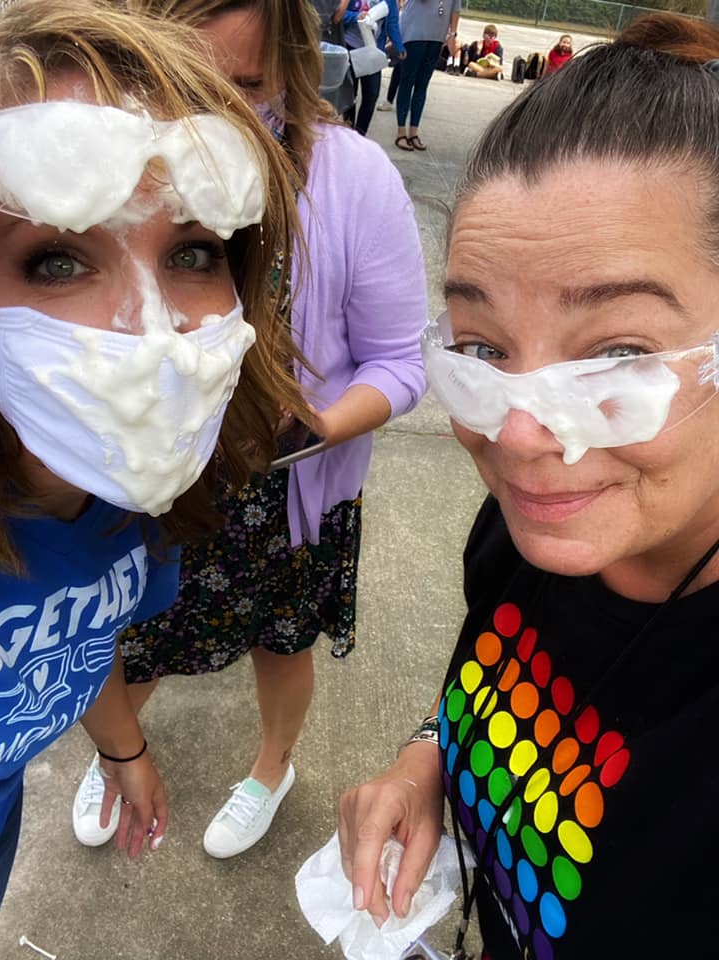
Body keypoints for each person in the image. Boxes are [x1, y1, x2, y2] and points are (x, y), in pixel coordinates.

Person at [339, 12, 719, 959]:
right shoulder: (531, 526)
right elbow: (495, 672)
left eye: (619, 353)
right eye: (480, 348)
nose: (517, 435)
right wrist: (427, 757)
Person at [72, 0, 428, 860]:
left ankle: (273, 767)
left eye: (244, 88)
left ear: (293, 68)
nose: (215, 123)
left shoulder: (352, 177)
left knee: (281, 643)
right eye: (178, 88)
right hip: (157, 482)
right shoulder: (106, 167)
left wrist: (318, 422)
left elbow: (401, 363)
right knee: (134, 637)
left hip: (285, 492)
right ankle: (121, 750)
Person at [0, 0, 308, 905]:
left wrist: (122, 747)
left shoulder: (128, 510)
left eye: (196, 252)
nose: (156, 330)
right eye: (56, 260)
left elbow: (68, 639)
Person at [394, 0, 461, 152]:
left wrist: (452, 34)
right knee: (407, 81)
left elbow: (456, 8)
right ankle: (401, 131)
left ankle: (414, 131)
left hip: (436, 36)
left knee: (422, 84)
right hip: (414, 33)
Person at [344, 0, 405, 136]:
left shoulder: (389, 2)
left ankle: (360, 134)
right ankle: (348, 133)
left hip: (372, 52)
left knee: (371, 96)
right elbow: (339, 14)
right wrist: (355, 17)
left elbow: (392, 24)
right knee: (349, 95)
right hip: (350, 48)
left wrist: (399, 46)